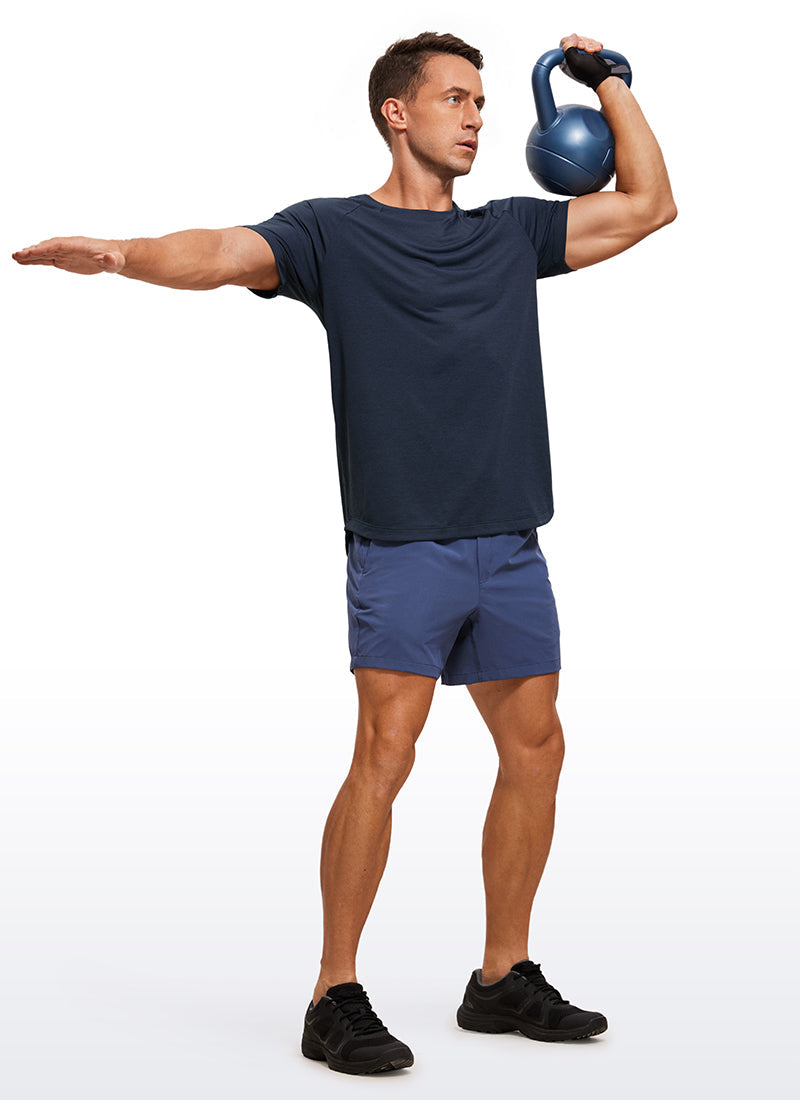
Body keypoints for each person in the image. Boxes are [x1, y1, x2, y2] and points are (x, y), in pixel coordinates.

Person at [13, 30, 676, 1075]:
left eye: (482, 102)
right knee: (386, 750)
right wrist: (125, 255)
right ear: (395, 113)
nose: (476, 117)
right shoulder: (332, 233)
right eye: (454, 98)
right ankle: (333, 990)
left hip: (510, 540)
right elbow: (221, 252)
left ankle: (501, 974)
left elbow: (648, 205)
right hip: (402, 543)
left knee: (537, 747)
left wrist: (608, 84)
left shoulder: (511, 232)